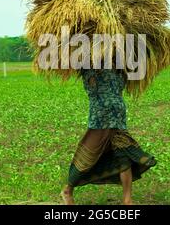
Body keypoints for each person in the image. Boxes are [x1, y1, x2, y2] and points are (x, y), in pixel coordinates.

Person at [61, 68, 157, 205]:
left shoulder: (119, 69)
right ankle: (68, 190)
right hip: (101, 120)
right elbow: (93, 87)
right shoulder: (90, 68)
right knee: (88, 157)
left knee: (124, 156)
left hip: (118, 119)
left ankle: (127, 200)